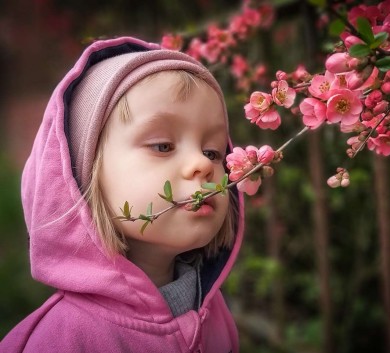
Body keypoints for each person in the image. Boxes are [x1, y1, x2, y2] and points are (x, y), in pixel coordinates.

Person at [0, 36, 244, 353]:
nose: (202, 164)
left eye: (212, 152)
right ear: (84, 177)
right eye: (163, 146)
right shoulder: (64, 339)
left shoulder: (213, 312)